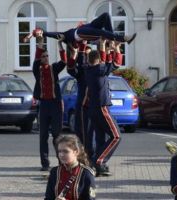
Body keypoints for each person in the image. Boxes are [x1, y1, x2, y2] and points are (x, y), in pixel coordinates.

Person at [85, 38, 122, 176]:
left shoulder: (89, 69)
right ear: (99, 60)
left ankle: (101, 168)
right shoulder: (99, 69)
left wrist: (106, 48)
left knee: (101, 138)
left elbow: (107, 63)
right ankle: (98, 161)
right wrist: (116, 48)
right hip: (102, 107)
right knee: (116, 136)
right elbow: (116, 63)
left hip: (93, 108)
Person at [33, 33, 66, 171]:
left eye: (47, 56)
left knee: (57, 136)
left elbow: (64, 61)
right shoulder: (37, 70)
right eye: (44, 56)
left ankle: (61, 162)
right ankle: (45, 164)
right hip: (44, 105)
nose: (46, 58)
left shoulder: (54, 68)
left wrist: (60, 45)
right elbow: (35, 59)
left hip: (55, 105)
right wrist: (40, 42)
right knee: (43, 136)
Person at [24, 13, 136, 47]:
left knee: (106, 16)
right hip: (81, 34)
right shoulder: (68, 38)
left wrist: (30, 33)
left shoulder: (64, 34)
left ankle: (112, 39)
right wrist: (32, 35)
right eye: (60, 38)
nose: (60, 36)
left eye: (60, 37)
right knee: (101, 33)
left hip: (87, 27)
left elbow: (41, 30)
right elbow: (47, 33)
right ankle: (123, 38)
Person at [66, 40, 95, 162]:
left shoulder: (96, 70)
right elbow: (71, 69)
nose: (86, 59)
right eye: (85, 56)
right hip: (83, 106)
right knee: (83, 134)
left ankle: (95, 161)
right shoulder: (80, 72)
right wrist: (74, 54)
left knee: (96, 135)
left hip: (95, 106)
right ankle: (83, 160)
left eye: (89, 56)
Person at [45, 135, 96, 200]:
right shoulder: (55, 171)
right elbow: (48, 197)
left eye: (66, 151)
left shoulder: (86, 173)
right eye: (59, 151)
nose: (61, 155)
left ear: (76, 152)